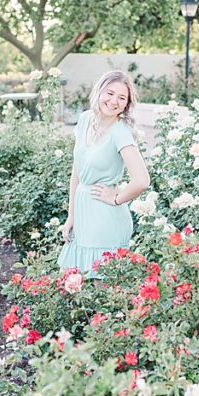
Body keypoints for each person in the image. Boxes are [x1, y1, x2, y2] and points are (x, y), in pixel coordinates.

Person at [58, 70, 149, 277]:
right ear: (99, 92)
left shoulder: (120, 132)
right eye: (110, 93)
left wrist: (117, 198)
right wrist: (71, 216)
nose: (114, 101)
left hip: (105, 219)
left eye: (121, 97)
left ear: (126, 105)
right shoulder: (84, 120)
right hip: (82, 214)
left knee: (102, 287)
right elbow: (77, 171)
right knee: (73, 286)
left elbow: (142, 181)